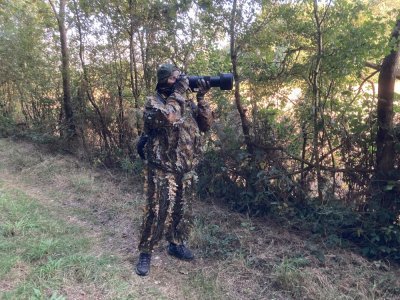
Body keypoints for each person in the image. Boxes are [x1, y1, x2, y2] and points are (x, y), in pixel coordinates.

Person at [135, 63, 213, 276]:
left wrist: (201, 99)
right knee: (156, 211)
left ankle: (175, 243)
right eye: (173, 79)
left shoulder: (185, 103)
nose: (179, 82)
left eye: (180, 78)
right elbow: (168, 117)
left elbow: (206, 125)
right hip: (161, 168)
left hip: (185, 168)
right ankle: (146, 252)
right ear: (162, 81)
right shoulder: (154, 104)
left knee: (182, 209)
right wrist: (179, 91)